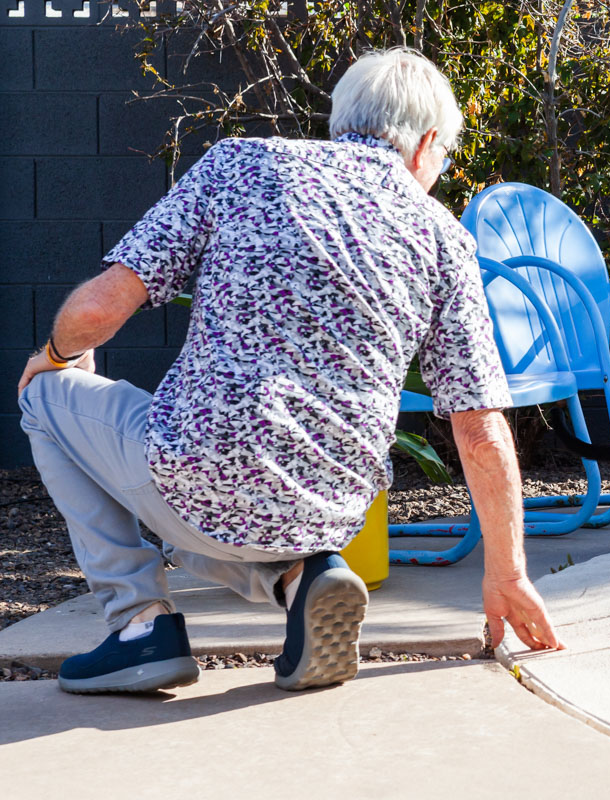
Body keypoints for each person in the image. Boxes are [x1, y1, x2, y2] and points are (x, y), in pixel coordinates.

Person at [17, 47, 562, 695]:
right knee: (220, 500)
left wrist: (51, 358)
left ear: (341, 121)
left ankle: (140, 626)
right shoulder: (444, 237)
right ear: (427, 144)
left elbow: (102, 306)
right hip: (334, 514)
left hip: (195, 478)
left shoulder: (242, 164)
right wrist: (507, 573)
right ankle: (301, 576)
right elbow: (480, 430)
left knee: (45, 400)